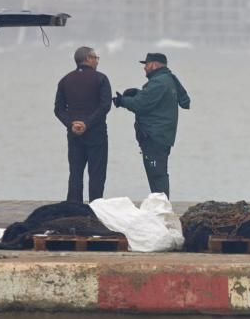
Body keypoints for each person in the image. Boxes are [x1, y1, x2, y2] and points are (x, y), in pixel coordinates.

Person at [114, 52, 190, 198]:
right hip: (163, 136)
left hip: (154, 136)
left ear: (154, 65)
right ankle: (161, 206)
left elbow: (140, 105)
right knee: (159, 173)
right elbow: (156, 99)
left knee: (157, 176)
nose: (144, 68)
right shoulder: (169, 79)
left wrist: (122, 101)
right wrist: (138, 92)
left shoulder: (158, 83)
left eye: (146, 65)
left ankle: (161, 208)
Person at [54, 46, 112, 203]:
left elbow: (58, 109)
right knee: (97, 174)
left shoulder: (65, 80)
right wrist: (87, 124)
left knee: (75, 173)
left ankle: (74, 207)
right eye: (95, 58)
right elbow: (105, 105)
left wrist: (72, 124)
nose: (97, 61)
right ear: (88, 59)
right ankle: (96, 207)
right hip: (96, 134)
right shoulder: (101, 79)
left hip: (74, 135)